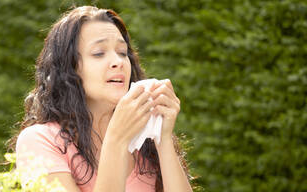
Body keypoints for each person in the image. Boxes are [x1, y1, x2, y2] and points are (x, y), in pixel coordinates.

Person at [11, 5, 193, 192]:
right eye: (99, 53)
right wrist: (117, 140)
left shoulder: (144, 139)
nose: (118, 62)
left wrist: (162, 137)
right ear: (70, 68)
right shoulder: (39, 141)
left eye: (123, 53)